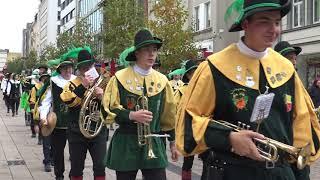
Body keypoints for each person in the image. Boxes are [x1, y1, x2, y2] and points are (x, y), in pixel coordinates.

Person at [176, 0, 320, 180]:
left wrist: (301, 174)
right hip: (231, 173)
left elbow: (301, 126)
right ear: (245, 24)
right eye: (264, 21)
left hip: (280, 173)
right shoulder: (214, 68)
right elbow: (188, 124)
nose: (273, 29)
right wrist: (228, 138)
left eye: (276, 22)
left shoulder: (286, 68)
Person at [102, 29, 178, 180]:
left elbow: (168, 116)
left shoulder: (162, 81)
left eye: (154, 50)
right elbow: (108, 109)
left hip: (153, 142)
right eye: (147, 50)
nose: (151, 54)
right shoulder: (119, 77)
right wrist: (130, 115)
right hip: (126, 143)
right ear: (137, 53)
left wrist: (173, 143)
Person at [60, 49, 108, 180]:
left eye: (89, 66)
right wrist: (83, 86)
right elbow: (67, 100)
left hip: (98, 131)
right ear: (79, 69)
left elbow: (112, 106)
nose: (87, 69)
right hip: (76, 131)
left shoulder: (103, 83)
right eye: (83, 67)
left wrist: (102, 97)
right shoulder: (71, 84)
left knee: (100, 166)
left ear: (93, 66)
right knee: (76, 167)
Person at [39, 54, 76, 180]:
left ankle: (74, 175)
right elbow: (46, 102)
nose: (68, 71)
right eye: (65, 68)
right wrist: (43, 117)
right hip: (58, 124)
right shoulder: (53, 82)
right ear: (60, 69)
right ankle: (59, 175)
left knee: (76, 154)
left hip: (75, 124)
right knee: (58, 153)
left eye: (70, 68)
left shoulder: (77, 80)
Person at [174, 60, 198, 180]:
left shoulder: (206, 88)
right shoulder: (181, 91)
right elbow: (174, 109)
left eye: (198, 71)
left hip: (205, 129)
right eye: (194, 72)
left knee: (209, 159)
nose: (196, 74)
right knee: (188, 161)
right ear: (188, 75)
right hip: (189, 129)